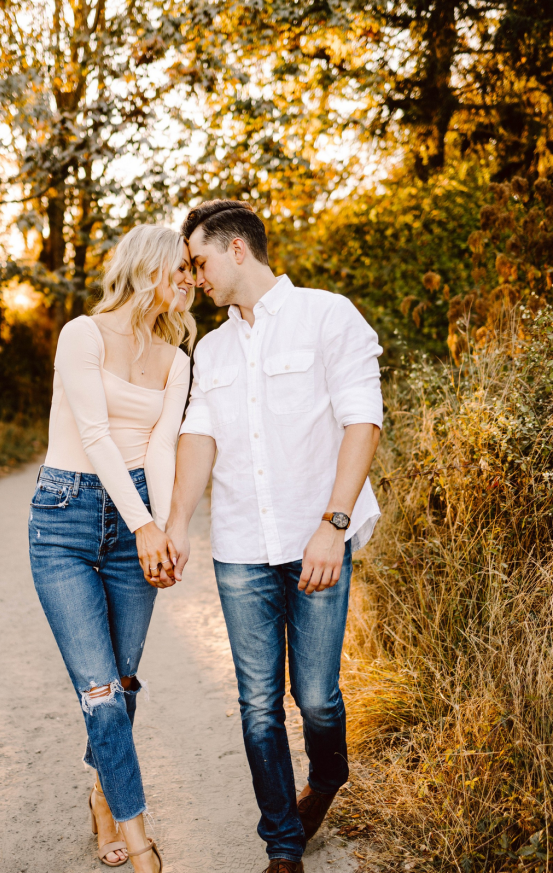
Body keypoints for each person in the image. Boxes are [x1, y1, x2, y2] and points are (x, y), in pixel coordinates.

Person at [164, 200, 383, 873]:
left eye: (199, 261)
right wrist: (177, 523)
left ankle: (329, 772)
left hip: (317, 539)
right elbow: (198, 435)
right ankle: (283, 846)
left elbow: (363, 421)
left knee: (315, 697)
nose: (195, 276)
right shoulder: (212, 348)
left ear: (236, 250)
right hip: (240, 550)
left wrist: (333, 525)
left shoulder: (328, 315)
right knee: (258, 704)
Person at [28, 224, 195, 872]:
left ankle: (102, 795)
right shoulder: (83, 334)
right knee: (99, 691)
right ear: (149, 268)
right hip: (65, 520)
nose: (190, 281)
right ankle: (142, 842)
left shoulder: (177, 358)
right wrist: (145, 523)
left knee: (121, 685)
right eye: (180, 268)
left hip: (135, 525)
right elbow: (95, 434)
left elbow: (161, 446)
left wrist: (160, 528)